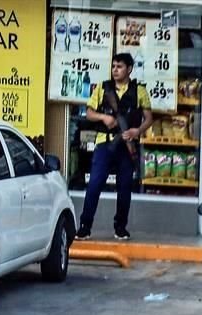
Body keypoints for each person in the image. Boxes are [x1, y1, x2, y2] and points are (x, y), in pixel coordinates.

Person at [77, 53, 153, 241]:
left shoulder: (139, 91)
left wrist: (137, 131)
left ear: (129, 69)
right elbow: (88, 113)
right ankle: (85, 226)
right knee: (94, 184)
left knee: (125, 187)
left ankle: (120, 227)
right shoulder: (103, 88)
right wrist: (103, 117)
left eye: (119, 66)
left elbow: (149, 118)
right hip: (105, 142)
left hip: (127, 144)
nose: (115, 70)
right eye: (113, 66)